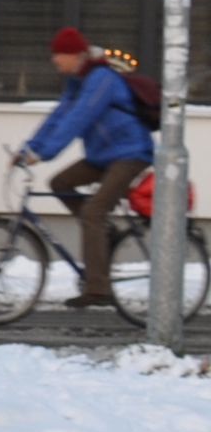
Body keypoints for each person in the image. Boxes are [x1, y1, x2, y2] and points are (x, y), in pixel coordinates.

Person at [15, 27, 154, 308]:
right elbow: (58, 116)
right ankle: (103, 233)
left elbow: (78, 119)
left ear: (75, 54)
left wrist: (44, 154)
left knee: (92, 211)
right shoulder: (78, 81)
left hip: (130, 153)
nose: (54, 60)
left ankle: (98, 289)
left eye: (58, 55)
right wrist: (29, 148)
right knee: (60, 184)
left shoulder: (101, 78)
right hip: (104, 155)